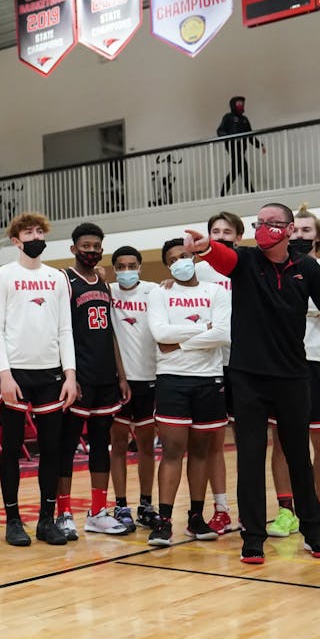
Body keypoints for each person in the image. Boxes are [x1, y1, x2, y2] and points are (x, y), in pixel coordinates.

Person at [187, 203, 320, 564]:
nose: (266, 228)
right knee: (252, 458)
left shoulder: (306, 267)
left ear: (289, 229)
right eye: (261, 222)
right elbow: (220, 257)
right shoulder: (244, 261)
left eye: (274, 223)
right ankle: (253, 538)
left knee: (298, 457)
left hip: (292, 376)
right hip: (248, 377)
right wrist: (204, 247)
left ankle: (314, 534)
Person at [0, 212, 78, 546]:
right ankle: (13, 520)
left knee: (51, 449)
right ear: (15, 240)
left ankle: (46, 520)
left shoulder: (56, 277)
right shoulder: (3, 276)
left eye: (40, 231)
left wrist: (70, 374)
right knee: (11, 448)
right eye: (29, 232)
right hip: (15, 376)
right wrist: (4, 374)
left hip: (51, 375)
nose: (36, 236)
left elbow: (65, 329)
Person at [268, 208, 320, 542]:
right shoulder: (274, 269)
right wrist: (310, 303)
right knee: (282, 444)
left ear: (318, 236)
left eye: (306, 230)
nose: (299, 235)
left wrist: (295, 303)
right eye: (294, 229)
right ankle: (286, 511)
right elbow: (276, 308)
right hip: (281, 364)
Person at [147, 239, 231, 545]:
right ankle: (164, 520)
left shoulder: (215, 291)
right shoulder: (161, 292)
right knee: (172, 450)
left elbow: (222, 333)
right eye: (173, 259)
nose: (180, 261)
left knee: (200, 452)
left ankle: (196, 517)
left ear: (193, 257)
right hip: (172, 378)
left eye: (184, 256)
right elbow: (159, 334)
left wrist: (179, 342)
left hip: (209, 378)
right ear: (168, 266)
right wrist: (202, 329)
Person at [56, 222, 133, 539]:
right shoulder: (64, 280)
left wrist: (122, 374)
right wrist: (66, 375)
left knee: (102, 444)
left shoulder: (104, 284)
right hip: (78, 378)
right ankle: (62, 513)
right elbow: (59, 331)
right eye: (85, 246)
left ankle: (98, 512)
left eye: (96, 246)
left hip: (105, 377)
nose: (91, 251)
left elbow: (111, 332)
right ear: (73, 248)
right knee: (68, 446)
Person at [196, 211, 241, 533]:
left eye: (228, 231)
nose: (222, 235)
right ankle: (221, 508)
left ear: (238, 237)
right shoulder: (198, 271)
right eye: (216, 230)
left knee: (248, 441)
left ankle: (254, 508)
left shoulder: (247, 266)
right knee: (213, 442)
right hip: (210, 365)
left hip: (245, 364)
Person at [109, 245, 158, 532]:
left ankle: (146, 504)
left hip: (149, 377)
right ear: (114, 268)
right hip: (120, 381)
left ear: (140, 266)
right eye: (121, 266)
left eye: (131, 265)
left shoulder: (155, 291)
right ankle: (120, 504)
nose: (126, 270)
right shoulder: (108, 291)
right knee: (117, 446)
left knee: (146, 447)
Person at [216, 96, 265, 197]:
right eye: (238, 103)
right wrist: (229, 138)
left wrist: (260, 145)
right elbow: (220, 131)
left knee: (236, 170)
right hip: (232, 147)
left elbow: (250, 136)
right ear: (233, 105)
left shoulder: (244, 120)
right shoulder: (228, 117)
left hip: (242, 148)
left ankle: (222, 194)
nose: (241, 105)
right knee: (243, 167)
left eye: (242, 103)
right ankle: (252, 193)